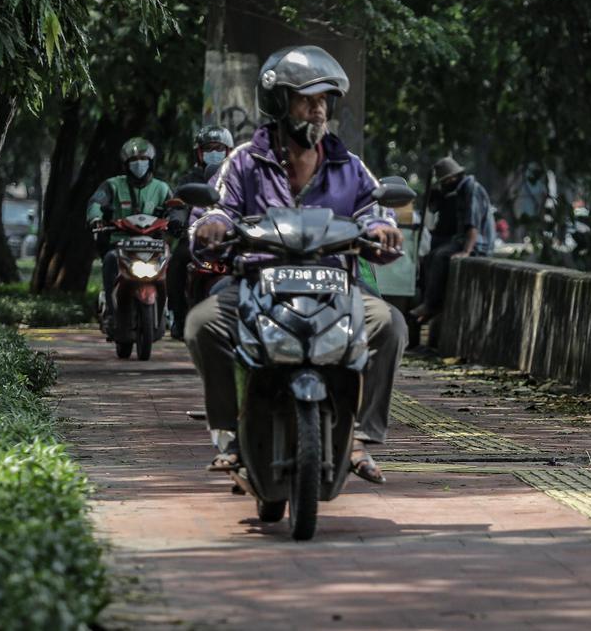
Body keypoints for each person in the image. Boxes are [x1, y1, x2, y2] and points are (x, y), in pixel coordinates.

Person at [185, 45, 405, 484]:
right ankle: (229, 431)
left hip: (334, 288)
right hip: (258, 284)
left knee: (389, 324)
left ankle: (359, 434)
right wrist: (210, 226)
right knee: (202, 324)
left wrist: (383, 229)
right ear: (279, 102)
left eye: (324, 100)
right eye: (307, 99)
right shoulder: (246, 160)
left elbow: (375, 210)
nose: (318, 110)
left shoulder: (350, 166)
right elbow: (217, 209)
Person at [87, 137, 173, 331]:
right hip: (120, 244)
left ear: (151, 162)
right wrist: (96, 218)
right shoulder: (113, 185)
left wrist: (178, 219)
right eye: (133, 160)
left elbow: (177, 208)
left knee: (174, 264)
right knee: (109, 260)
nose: (138, 163)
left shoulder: (162, 188)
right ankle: (111, 310)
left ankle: (171, 310)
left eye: (143, 158)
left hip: (154, 245)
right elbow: (96, 203)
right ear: (126, 164)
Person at [166, 125, 233, 340]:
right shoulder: (190, 178)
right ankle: (178, 316)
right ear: (199, 152)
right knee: (176, 263)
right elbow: (178, 205)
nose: (214, 152)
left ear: (229, 150)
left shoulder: (237, 175)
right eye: (208, 148)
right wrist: (177, 222)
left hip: (233, 240)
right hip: (195, 238)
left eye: (219, 148)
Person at [410, 157, 494, 323]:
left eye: (445, 181)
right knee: (430, 257)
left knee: (441, 256)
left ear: (452, 178)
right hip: (461, 240)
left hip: (478, 244)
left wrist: (466, 251)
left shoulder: (471, 189)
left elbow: (472, 224)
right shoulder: (460, 192)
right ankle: (430, 302)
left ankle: (431, 304)